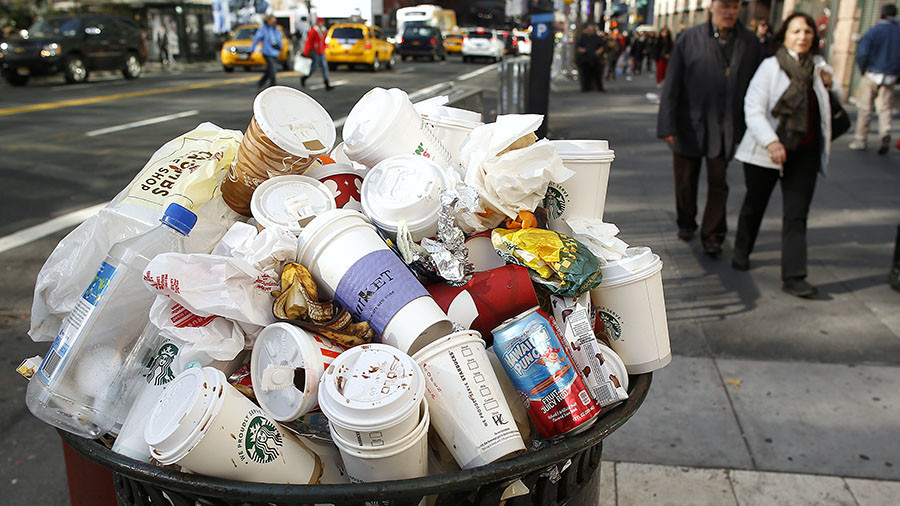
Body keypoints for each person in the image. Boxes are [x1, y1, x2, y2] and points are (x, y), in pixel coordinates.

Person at [732, 13, 837, 298]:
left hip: (805, 153)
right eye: (796, 31)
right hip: (769, 151)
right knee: (755, 204)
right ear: (785, 35)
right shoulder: (770, 66)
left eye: (807, 31)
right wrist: (770, 141)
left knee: (796, 215)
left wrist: (831, 84)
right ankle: (741, 250)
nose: (802, 37)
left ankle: (794, 276)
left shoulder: (819, 69)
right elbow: (753, 108)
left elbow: (829, 105)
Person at [657, 0, 765, 257]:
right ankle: (686, 222)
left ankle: (713, 235)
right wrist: (667, 125)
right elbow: (672, 84)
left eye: (734, 7)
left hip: (725, 126)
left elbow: (761, 83)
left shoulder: (750, 43)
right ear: (712, 7)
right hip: (688, 123)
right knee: (685, 180)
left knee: (719, 182)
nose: (729, 12)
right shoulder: (689, 38)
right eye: (724, 6)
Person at [848, 4, 899, 155]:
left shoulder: (874, 31)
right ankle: (885, 133)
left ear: (881, 15)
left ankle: (860, 139)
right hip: (890, 75)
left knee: (865, 108)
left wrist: (864, 69)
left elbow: (863, 53)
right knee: (885, 108)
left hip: (871, 73)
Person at [251, 15, 282, 91]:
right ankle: (273, 87)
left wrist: (280, 47)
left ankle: (260, 83)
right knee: (273, 69)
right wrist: (251, 49)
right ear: (268, 21)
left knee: (269, 70)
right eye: (272, 20)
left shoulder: (276, 29)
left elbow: (279, 39)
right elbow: (257, 39)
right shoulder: (264, 29)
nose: (274, 22)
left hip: (275, 52)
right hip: (267, 52)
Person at [301, 19, 331, 91]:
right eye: (320, 22)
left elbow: (323, 41)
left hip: (321, 52)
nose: (321, 24)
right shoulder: (314, 30)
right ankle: (304, 77)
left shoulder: (323, 30)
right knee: (314, 68)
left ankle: (326, 83)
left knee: (324, 67)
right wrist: (306, 52)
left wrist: (324, 48)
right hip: (315, 52)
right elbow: (309, 42)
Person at [576, 24, 605, 92]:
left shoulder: (597, 38)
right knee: (585, 75)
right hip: (586, 58)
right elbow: (578, 47)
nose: (590, 31)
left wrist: (599, 51)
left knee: (597, 75)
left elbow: (602, 46)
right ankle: (585, 88)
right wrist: (583, 50)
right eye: (589, 30)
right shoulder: (583, 38)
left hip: (595, 59)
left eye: (591, 30)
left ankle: (599, 87)